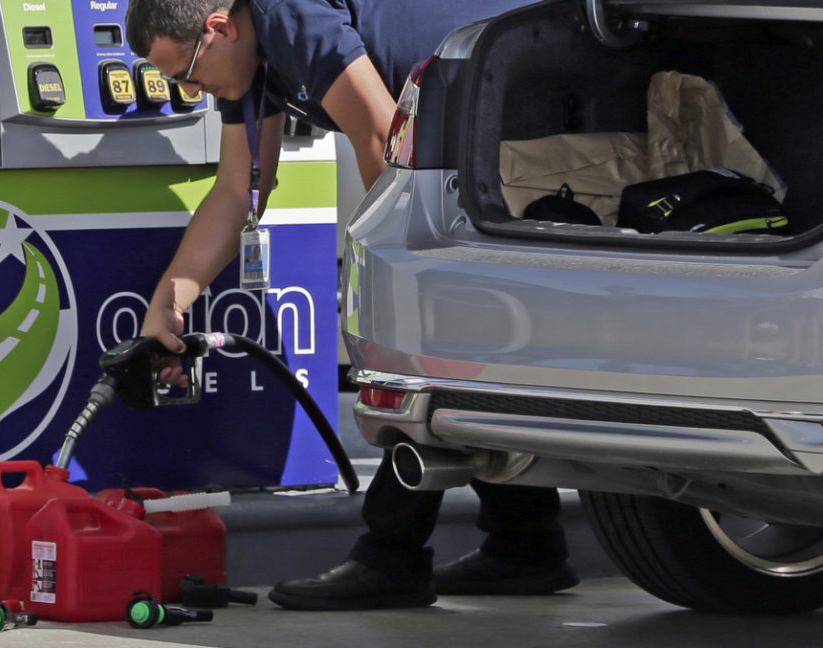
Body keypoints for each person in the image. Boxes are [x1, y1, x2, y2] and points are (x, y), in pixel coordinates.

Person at [126, 0, 578, 610]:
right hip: (474, 128)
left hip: (542, 97)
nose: (191, 91)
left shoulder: (286, 15)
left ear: (219, 27)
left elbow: (382, 144)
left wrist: (398, 285)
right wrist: (169, 301)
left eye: (185, 73)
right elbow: (240, 188)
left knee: (417, 348)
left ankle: (392, 558)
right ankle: (526, 544)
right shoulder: (244, 63)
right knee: (461, 343)